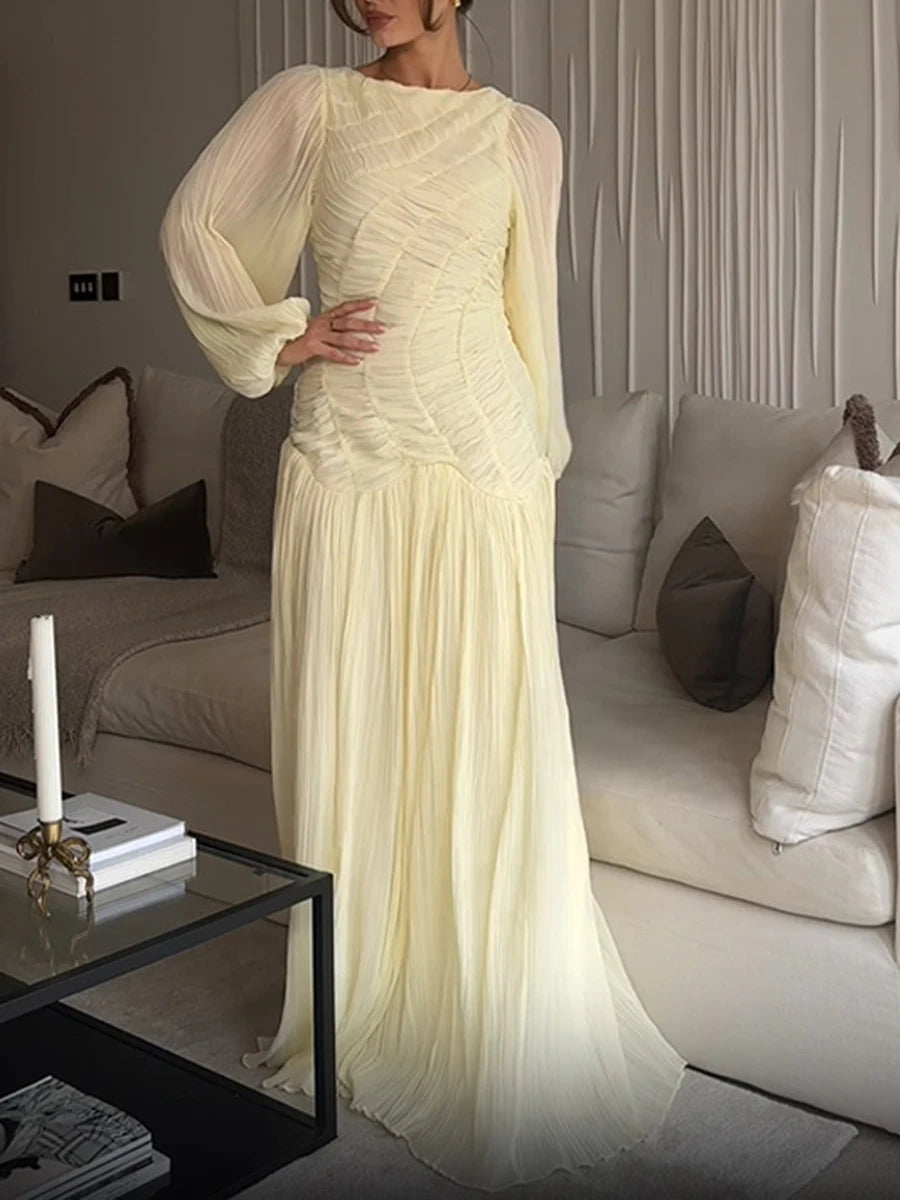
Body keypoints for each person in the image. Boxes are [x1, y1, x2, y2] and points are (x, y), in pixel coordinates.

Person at [159, 0, 686, 1190]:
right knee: (355, 730)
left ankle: (491, 1006)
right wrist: (282, 341)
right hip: (348, 460)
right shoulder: (313, 103)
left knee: (488, 742)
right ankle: (369, 1003)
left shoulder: (526, 137)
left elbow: (529, 318)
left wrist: (537, 465)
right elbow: (193, 224)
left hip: (484, 465)